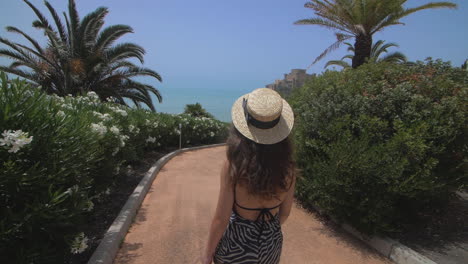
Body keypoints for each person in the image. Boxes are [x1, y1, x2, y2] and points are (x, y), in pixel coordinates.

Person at [202, 88, 296, 264]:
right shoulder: (289, 168)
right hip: (270, 245)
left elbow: (221, 219)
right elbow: (285, 213)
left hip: (236, 245)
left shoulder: (234, 166)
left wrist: (208, 253)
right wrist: (265, 234)